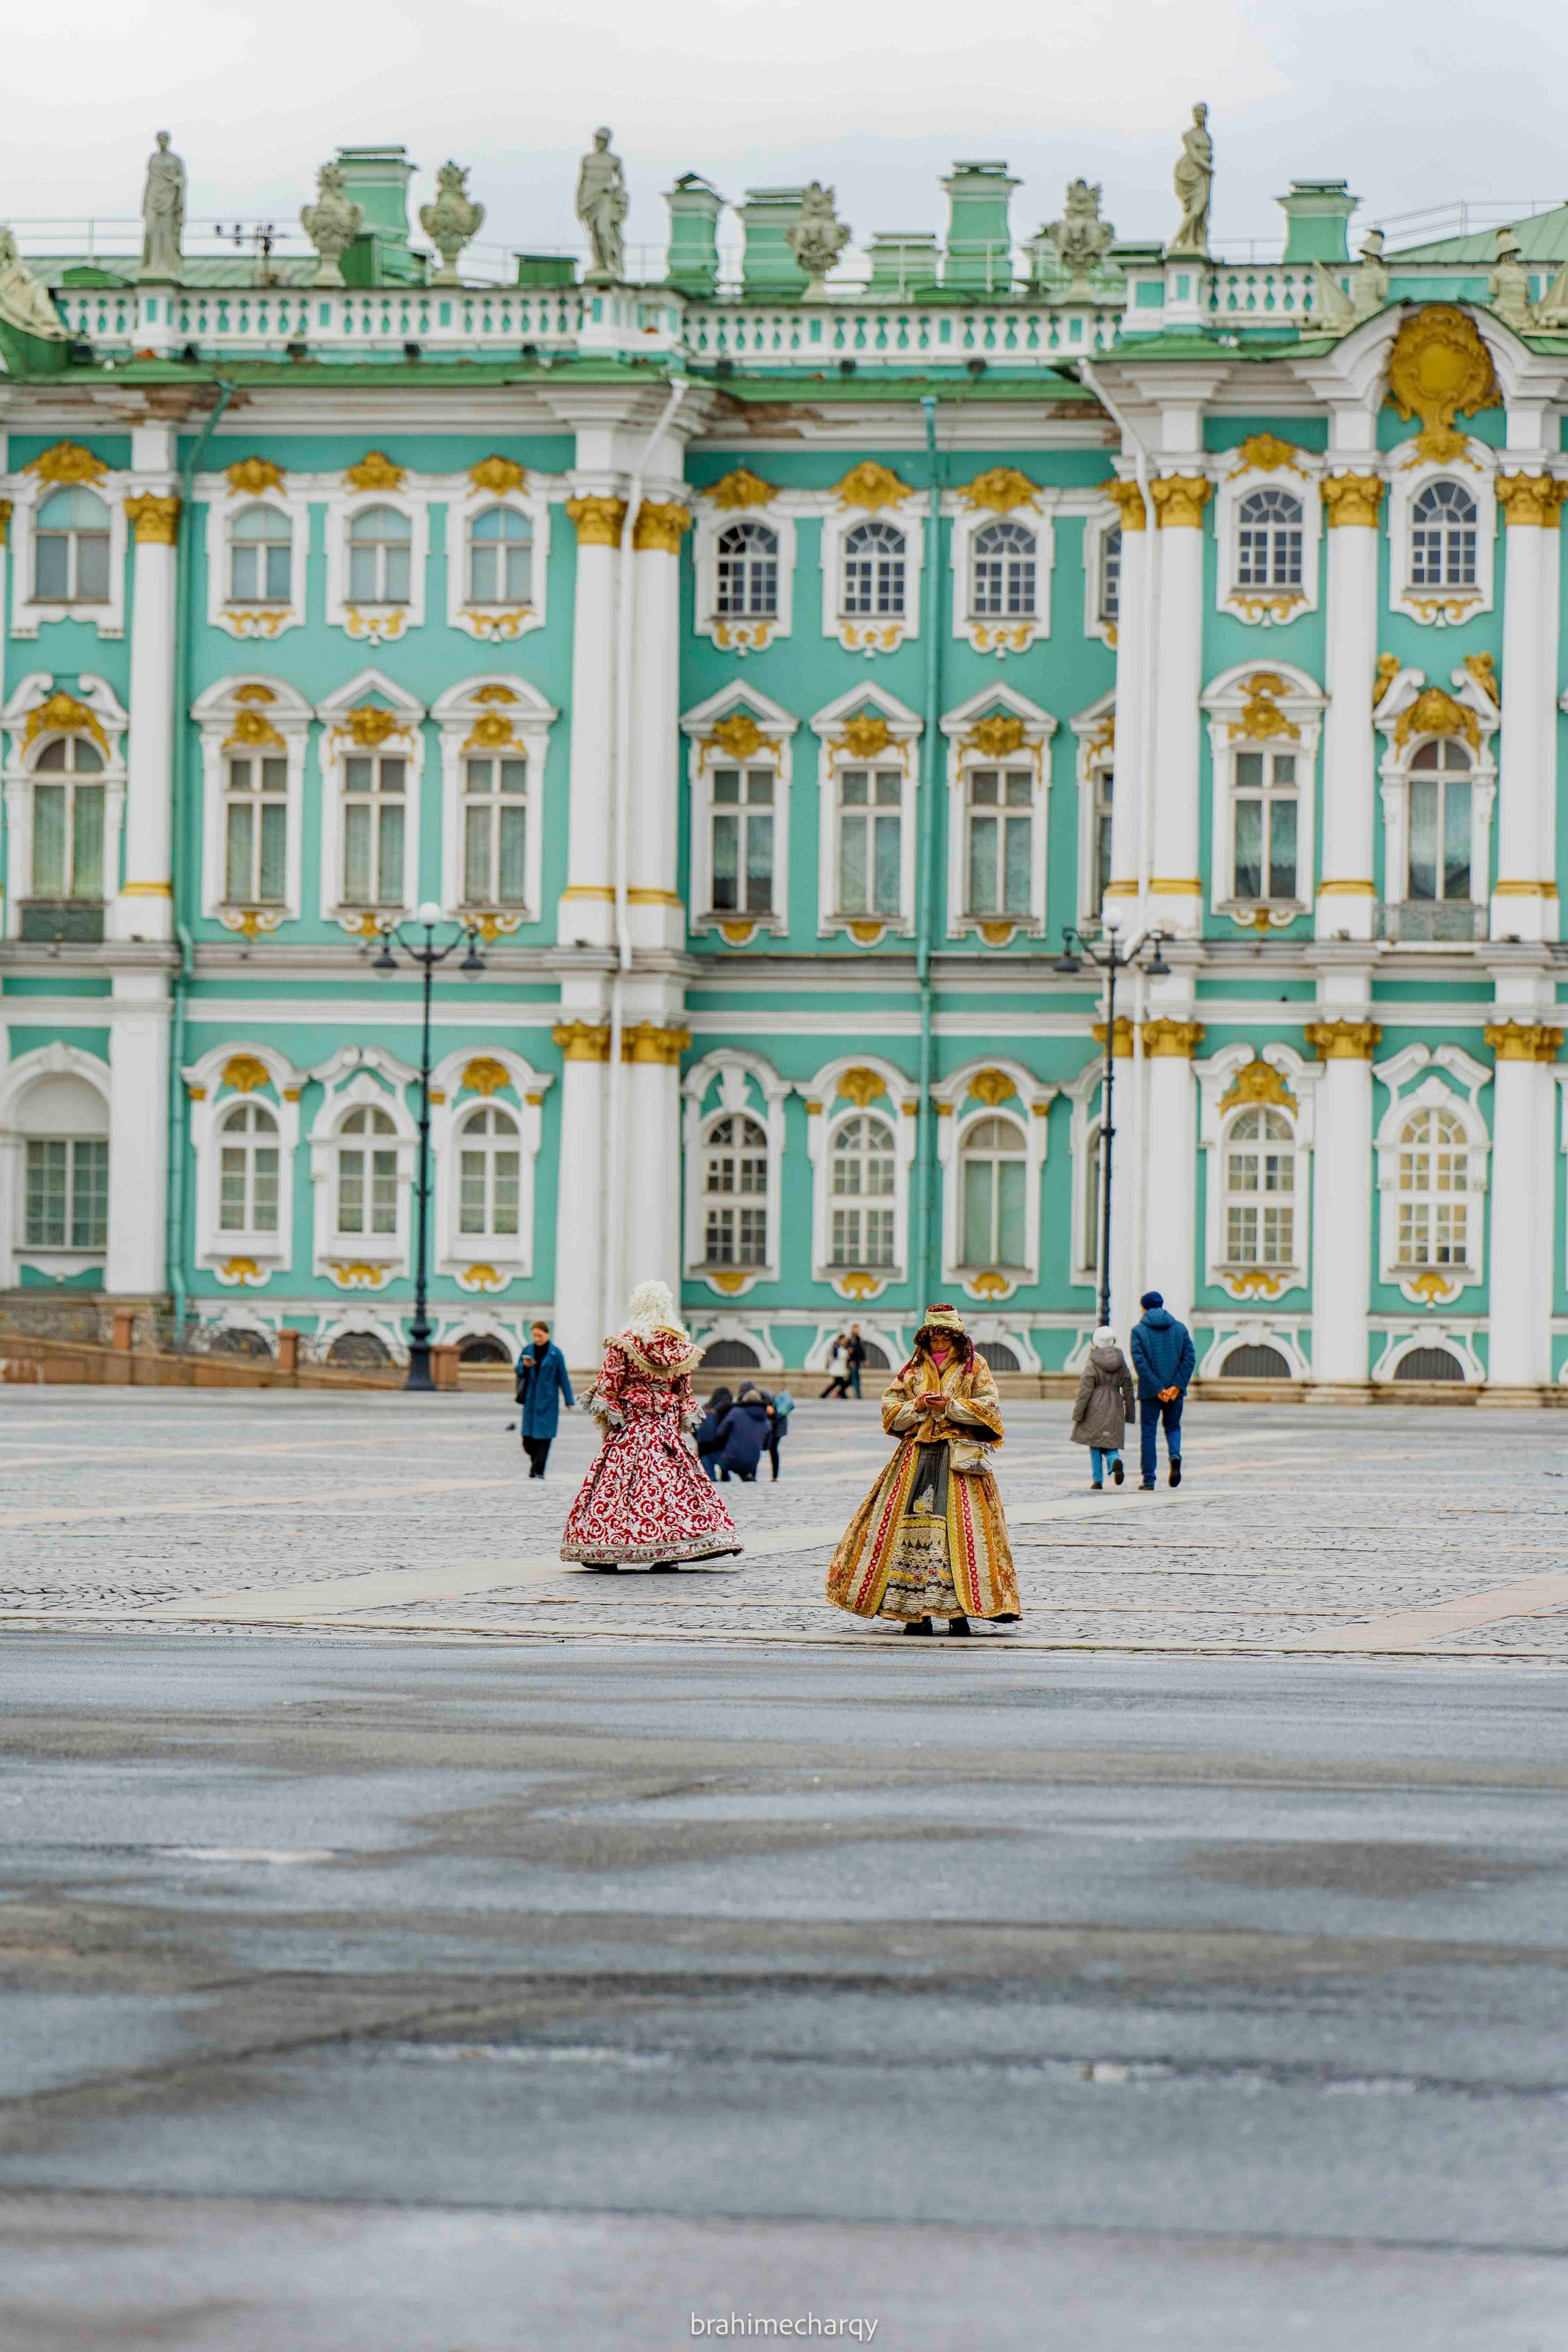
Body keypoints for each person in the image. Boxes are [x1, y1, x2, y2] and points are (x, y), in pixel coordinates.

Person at [827, 1303, 1020, 1637]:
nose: (940, 1342)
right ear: (926, 1337)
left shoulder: (975, 1367)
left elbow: (991, 1407)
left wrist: (951, 1407)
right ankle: (914, 1614)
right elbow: (889, 1407)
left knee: (959, 1534)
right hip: (915, 1457)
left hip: (959, 1461)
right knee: (906, 1531)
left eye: (947, 1336)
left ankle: (958, 1615)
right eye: (934, 1336)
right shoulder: (912, 1370)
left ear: (958, 1338)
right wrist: (915, 1407)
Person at [560, 1280, 741, 1569]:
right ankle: (672, 1550)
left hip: (632, 1430)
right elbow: (685, 1396)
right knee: (670, 1487)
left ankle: (607, 1550)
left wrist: (609, 1424)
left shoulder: (625, 1344)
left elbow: (609, 1388)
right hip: (666, 1432)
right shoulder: (681, 1349)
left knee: (619, 1488)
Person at [1130, 1290, 1195, 1491]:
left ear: (1144, 1308)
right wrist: (1176, 1386)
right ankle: (1175, 1455)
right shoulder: (1180, 1328)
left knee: (1149, 1434)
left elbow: (1140, 1364)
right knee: (1173, 1427)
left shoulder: (1138, 1331)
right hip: (1176, 1392)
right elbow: (1189, 1359)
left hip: (1151, 1393)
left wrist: (1158, 1389)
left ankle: (1149, 1479)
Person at [1071, 1325, 1135, 1491]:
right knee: (1110, 1442)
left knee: (1095, 1443)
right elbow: (1128, 1388)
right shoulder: (1121, 1360)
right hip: (1115, 1403)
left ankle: (1097, 1480)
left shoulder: (1092, 1360)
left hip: (1095, 1404)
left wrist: (1078, 1413)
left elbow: (1085, 1390)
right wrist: (1130, 1413)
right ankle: (1114, 1459)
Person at [515, 1319, 575, 1478]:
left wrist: (569, 1400)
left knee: (544, 1437)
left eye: (540, 1336)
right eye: (534, 1336)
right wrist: (525, 1366)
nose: (537, 1339)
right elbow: (518, 1369)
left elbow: (563, 1377)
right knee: (527, 1440)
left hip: (548, 1400)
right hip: (531, 1399)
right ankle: (536, 1465)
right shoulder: (527, 1350)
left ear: (547, 1334)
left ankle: (538, 1470)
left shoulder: (555, 1353)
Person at [717, 1384, 771, 1482]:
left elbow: (720, 1432)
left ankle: (725, 1478)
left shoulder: (735, 1412)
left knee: (722, 1461)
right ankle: (748, 1476)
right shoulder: (765, 1419)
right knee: (747, 1464)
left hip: (731, 1458)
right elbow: (766, 1445)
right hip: (753, 1461)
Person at [693, 1385, 734, 1480]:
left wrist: (698, 1436)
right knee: (726, 1476)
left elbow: (691, 1424)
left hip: (703, 1449)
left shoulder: (705, 1408)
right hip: (721, 1448)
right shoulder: (729, 1409)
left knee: (710, 1480)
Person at [766, 1385, 793, 1480]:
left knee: (773, 1449)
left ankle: (774, 1476)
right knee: (773, 1450)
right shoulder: (781, 1405)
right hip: (776, 1426)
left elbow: (777, 1417)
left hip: (777, 1428)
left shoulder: (778, 1407)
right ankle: (775, 1476)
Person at [821, 1334, 851, 1400]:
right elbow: (835, 1356)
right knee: (839, 1383)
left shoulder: (845, 1348)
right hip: (836, 1368)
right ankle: (842, 1395)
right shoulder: (836, 1347)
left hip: (841, 1368)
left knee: (837, 1383)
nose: (845, 1341)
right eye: (843, 1340)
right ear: (840, 1340)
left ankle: (825, 1395)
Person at [845, 1326, 867, 1400]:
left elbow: (860, 1351)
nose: (858, 1330)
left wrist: (864, 1360)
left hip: (857, 1361)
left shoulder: (858, 1339)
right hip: (853, 1362)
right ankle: (858, 1395)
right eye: (857, 1329)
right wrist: (851, 1361)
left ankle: (841, 1392)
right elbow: (850, 1351)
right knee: (855, 1379)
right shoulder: (852, 1340)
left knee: (854, 1379)